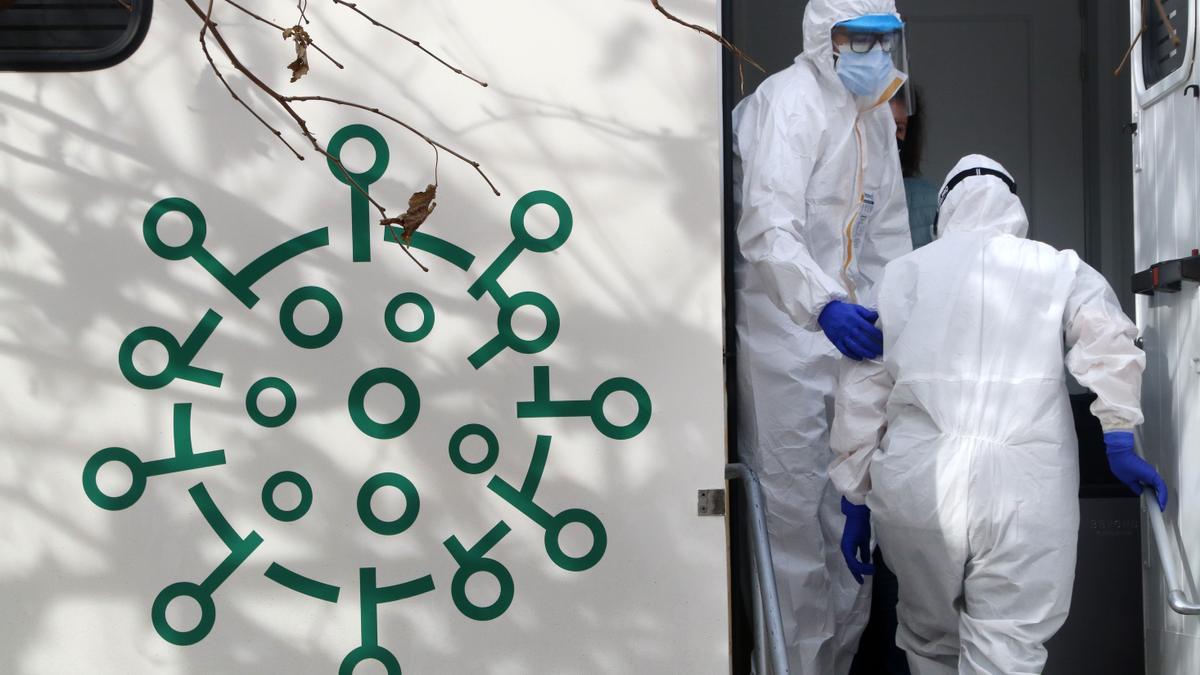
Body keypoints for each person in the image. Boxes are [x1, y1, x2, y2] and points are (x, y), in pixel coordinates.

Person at [829, 154, 1168, 674]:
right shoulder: (1057, 267)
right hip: (1025, 488)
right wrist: (1118, 435)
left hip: (919, 488)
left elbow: (863, 388)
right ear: (1014, 203)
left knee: (930, 648)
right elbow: (1110, 342)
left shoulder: (901, 277)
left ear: (945, 210)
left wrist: (854, 497)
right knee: (1007, 652)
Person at [732, 1, 913, 672]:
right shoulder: (789, 103)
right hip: (784, 341)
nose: (871, 52)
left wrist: (890, 325)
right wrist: (824, 304)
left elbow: (887, 241)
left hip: (847, 347)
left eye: (883, 39)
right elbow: (766, 230)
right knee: (789, 529)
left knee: (847, 529)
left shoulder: (872, 123)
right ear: (822, 37)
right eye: (856, 38)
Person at [891, 87, 938, 249]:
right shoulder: (841, 198)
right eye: (882, 124)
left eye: (898, 128)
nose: (889, 135)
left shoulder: (932, 202)